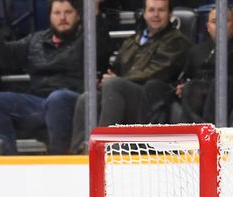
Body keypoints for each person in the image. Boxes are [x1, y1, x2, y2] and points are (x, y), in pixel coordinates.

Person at [0, 0, 109, 155]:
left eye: (68, 12)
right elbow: (6, 56)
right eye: (57, 13)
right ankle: (8, 162)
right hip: (38, 103)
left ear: (79, 15)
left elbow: (102, 42)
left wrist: (94, 14)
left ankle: (58, 159)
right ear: (49, 16)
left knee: (57, 98)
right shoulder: (36, 40)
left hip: (73, 102)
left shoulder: (87, 39)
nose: (62, 17)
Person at [70, 0, 189, 152]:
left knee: (114, 85)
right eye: (152, 10)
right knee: (87, 98)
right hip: (123, 92)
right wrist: (105, 79)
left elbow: (158, 72)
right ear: (144, 14)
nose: (156, 15)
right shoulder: (132, 41)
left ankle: (101, 150)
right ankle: (77, 154)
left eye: (161, 10)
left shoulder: (177, 41)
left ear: (170, 14)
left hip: (152, 99)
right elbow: (116, 68)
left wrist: (116, 80)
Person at [172, 6, 233, 124]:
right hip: (199, 89)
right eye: (215, 22)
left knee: (220, 83)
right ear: (208, 27)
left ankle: (209, 133)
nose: (220, 26)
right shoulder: (196, 51)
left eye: (225, 20)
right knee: (191, 87)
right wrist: (181, 86)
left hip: (226, 88)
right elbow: (182, 77)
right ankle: (196, 133)